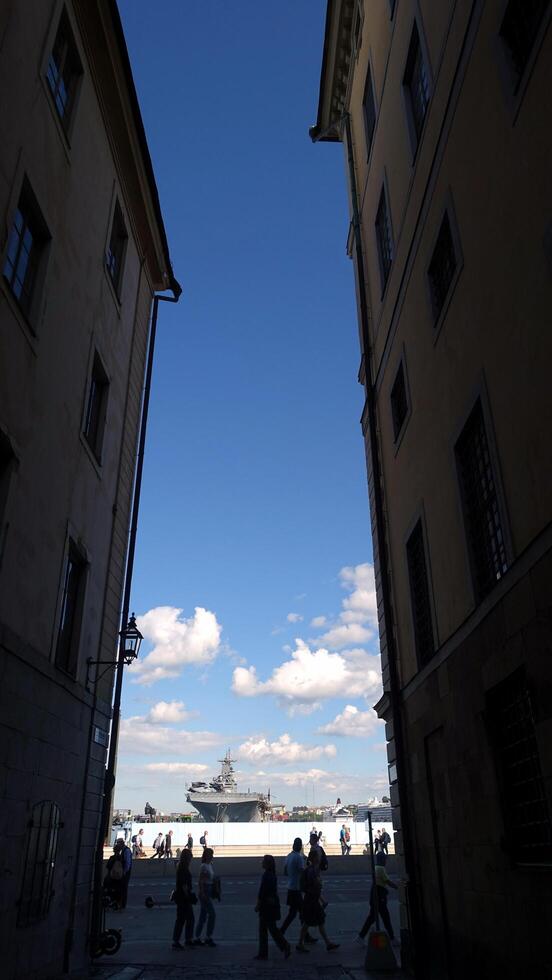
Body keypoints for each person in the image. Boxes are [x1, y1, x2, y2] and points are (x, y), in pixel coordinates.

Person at [296, 849, 339, 953]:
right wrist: (319, 884)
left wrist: (322, 900)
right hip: (311, 900)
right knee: (309, 922)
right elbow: (315, 886)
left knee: (318, 921)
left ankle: (327, 943)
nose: (319, 857)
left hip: (312, 899)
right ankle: (300, 943)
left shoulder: (313, 869)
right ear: (315, 858)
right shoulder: (313, 870)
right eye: (318, 856)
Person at [254, 854, 291, 960]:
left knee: (266, 930)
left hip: (267, 907)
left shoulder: (266, 875)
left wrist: (258, 905)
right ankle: (269, 951)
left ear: (267, 864)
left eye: (263, 861)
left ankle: (266, 952)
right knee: (271, 929)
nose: (262, 863)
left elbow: (263, 893)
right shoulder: (271, 875)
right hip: (271, 906)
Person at [356, 852, 397, 943]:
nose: (386, 861)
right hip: (380, 896)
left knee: (372, 917)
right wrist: (396, 887)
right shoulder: (381, 869)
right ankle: (392, 938)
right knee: (385, 917)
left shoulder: (376, 868)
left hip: (375, 895)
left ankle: (361, 936)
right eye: (385, 859)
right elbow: (387, 881)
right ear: (382, 860)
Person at [280, 837, 305, 939]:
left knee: (293, 913)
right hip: (296, 889)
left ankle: (282, 931)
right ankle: (305, 935)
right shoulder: (299, 858)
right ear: (300, 846)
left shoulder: (288, 856)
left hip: (290, 888)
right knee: (301, 913)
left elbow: (285, 872)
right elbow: (302, 871)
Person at [171, 848, 196, 949]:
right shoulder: (184, 869)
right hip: (183, 897)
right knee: (186, 919)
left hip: (181, 897)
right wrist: (188, 896)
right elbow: (184, 885)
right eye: (190, 857)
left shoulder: (181, 867)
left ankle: (181, 940)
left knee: (183, 919)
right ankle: (183, 940)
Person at [195, 847, 216, 946]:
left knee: (203, 916)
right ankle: (208, 936)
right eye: (211, 854)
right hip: (205, 891)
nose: (212, 856)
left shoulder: (209, 865)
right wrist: (202, 892)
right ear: (207, 855)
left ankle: (197, 937)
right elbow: (201, 880)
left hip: (208, 890)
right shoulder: (204, 866)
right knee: (212, 914)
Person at [104, 839, 126, 909]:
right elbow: (124, 867)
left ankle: (109, 902)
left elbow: (108, 867)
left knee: (109, 889)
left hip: (112, 877)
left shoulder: (112, 858)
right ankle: (118, 903)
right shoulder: (122, 858)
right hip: (120, 878)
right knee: (118, 891)